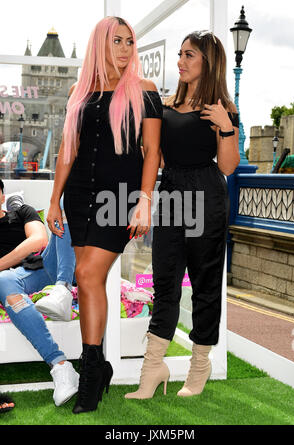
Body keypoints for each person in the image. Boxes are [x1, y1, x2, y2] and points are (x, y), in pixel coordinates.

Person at [46, 16, 162, 414]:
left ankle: (91, 370)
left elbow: (151, 152)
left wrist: (144, 200)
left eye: (130, 42)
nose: (126, 49)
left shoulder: (144, 91)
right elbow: (67, 150)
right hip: (78, 196)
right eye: (118, 41)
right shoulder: (79, 92)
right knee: (87, 277)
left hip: (119, 198)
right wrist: (54, 199)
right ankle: (99, 365)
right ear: (100, 43)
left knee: (87, 275)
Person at [125, 30, 240, 399]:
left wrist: (226, 126)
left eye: (189, 55)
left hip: (207, 197)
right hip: (171, 195)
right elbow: (152, 155)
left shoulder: (222, 107)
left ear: (208, 61)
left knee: (205, 287)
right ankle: (153, 368)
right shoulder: (164, 104)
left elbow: (227, 165)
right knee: (165, 283)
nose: (180, 61)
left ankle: (199, 365)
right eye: (180, 54)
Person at [0, 179, 79, 407]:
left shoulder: (22, 212)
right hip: (12, 282)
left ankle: (63, 288)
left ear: (4, 197)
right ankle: (61, 365)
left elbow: (39, 240)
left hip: (42, 268)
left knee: (67, 199)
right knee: (4, 280)